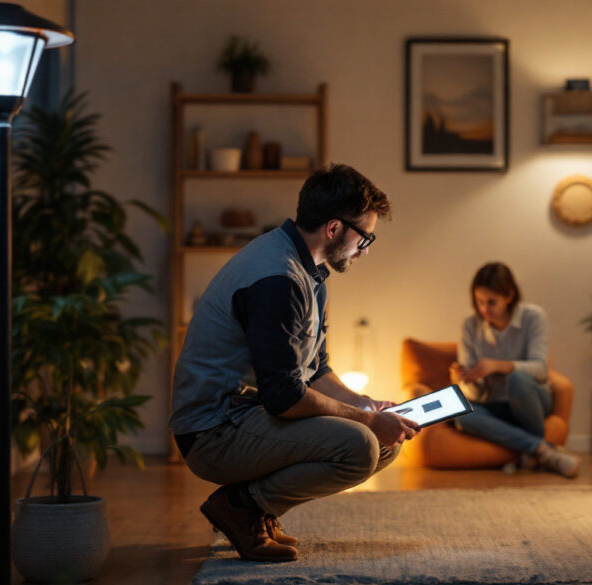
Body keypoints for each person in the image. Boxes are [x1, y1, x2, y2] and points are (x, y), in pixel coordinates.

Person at [169, 163, 420, 562]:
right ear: (334, 228)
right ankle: (242, 508)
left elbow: (315, 370)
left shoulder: (308, 271)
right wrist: (367, 422)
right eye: (365, 237)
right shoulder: (278, 280)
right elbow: (284, 397)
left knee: (385, 444)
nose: (366, 249)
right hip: (214, 431)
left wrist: (366, 405)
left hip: (248, 413)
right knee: (360, 445)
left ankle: (256, 508)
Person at [450, 262, 580, 478]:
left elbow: (541, 370)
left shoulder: (533, 317)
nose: (484, 309)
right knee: (462, 413)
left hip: (530, 400)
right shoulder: (469, 326)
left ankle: (529, 451)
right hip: (492, 404)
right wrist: (467, 380)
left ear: (509, 296)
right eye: (479, 302)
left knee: (518, 379)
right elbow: (474, 394)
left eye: (491, 302)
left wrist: (499, 366)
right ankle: (540, 451)